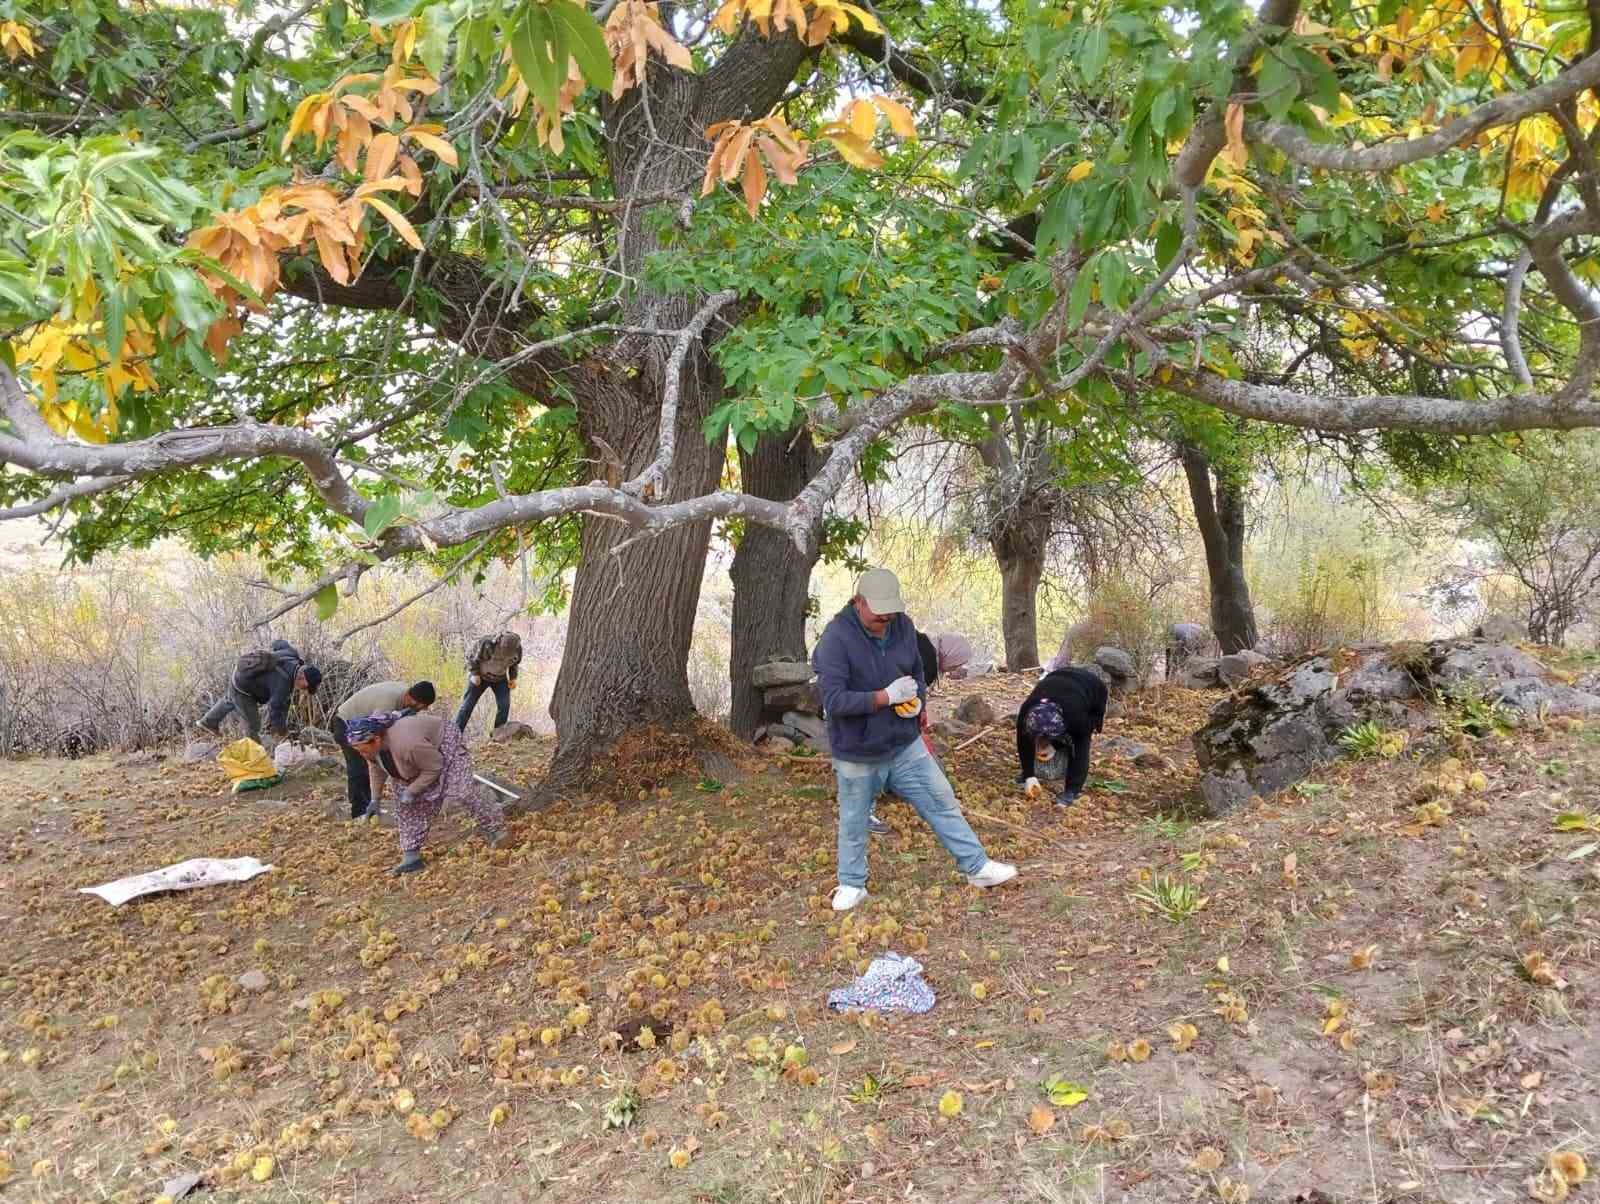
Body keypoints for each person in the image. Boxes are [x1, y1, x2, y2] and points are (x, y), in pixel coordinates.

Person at [813, 567, 1017, 911]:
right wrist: (883, 698)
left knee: (940, 798)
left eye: (890, 614)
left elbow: (918, 670)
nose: (885, 620)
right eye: (879, 616)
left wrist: (916, 700)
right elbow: (832, 700)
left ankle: (977, 867)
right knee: (854, 819)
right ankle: (852, 883)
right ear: (858, 602)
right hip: (858, 751)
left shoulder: (902, 626)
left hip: (904, 743)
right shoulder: (835, 640)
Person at [345, 711, 507, 874]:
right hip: (415, 758)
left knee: (462, 791)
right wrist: (375, 799)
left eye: (362, 750)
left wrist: (413, 790)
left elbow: (435, 766)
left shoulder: (408, 744)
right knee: (406, 806)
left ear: (377, 740)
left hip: (443, 742)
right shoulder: (371, 748)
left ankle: (496, 829)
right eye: (358, 750)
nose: (361, 754)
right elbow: (376, 768)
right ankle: (411, 857)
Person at [331, 680, 436, 819]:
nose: (424, 710)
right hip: (345, 724)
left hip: (361, 724)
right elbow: (375, 732)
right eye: (423, 706)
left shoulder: (406, 696)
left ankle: (371, 805)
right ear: (413, 699)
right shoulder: (387, 703)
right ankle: (360, 812)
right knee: (360, 766)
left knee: (375, 760)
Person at [197, 639, 321, 747]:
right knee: (253, 725)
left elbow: (279, 643)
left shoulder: (292, 655)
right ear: (303, 677)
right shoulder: (283, 685)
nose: (305, 690)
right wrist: (283, 733)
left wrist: (267, 663)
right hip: (244, 687)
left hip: (243, 671)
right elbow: (275, 709)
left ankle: (208, 722)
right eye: (307, 687)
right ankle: (255, 757)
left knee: (231, 698)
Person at [1015, 665, 1109, 807]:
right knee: (1036, 740)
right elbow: (1023, 742)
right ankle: (1033, 772)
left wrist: (1056, 745)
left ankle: (1073, 790)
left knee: (1080, 739)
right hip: (1056, 677)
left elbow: (1081, 749)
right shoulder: (1026, 712)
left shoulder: (1077, 718)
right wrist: (1029, 775)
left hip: (1093, 687)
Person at [455, 630, 523, 734]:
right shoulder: (487, 643)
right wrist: (475, 674)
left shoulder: (517, 649)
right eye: (504, 651)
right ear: (499, 643)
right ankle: (454, 735)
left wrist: (513, 678)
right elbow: (471, 657)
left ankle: (498, 735)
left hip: (500, 679)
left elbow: (514, 664)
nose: (505, 654)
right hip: (480, 677)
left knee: (504, 706)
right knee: (467, 706)